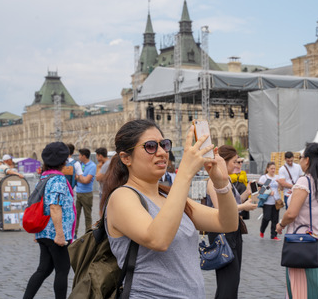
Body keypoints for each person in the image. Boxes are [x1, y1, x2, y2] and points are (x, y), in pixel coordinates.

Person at [103, 119, 240, 298]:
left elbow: (227, 223)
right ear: (126, 158)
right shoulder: (122, 197)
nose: (161, 152)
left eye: (164, 145)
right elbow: (158, 240)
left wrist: (221, 184)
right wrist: (185, 172)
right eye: (150, 146)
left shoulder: (168, 197)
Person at [276, 143, 318, 298]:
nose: (299, 161)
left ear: (307, 160)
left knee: (301, 289)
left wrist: (280, 225)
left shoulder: (304, 181)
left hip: (303, 242)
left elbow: (291, 213)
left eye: (300, 157)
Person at [23, 142, 75, 299]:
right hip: (55, 233)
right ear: (64, 161)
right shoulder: (57, 180)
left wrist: (38, 232)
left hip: (44, 231)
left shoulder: (44, 177)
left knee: (43, 269)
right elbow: (54, 207)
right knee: (62, 270)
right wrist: (60, 234)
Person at [207, 145, 257, 298]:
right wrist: (244, 206)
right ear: (223, 161)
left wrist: (247, 193)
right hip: (221, 233)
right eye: (235, 162)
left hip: (233, 231)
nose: (238, 165)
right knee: (228, 281)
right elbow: (221, 208)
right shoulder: (213, 181)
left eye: (239, 162)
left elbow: (233, 203)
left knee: (233, 279)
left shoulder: (227, 180)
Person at [74, 148, 96, 237]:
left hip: (87, 194)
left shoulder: (92, 166)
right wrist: (81, 178)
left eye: (79, 155)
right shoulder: (80, 164)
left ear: (84, 156)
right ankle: (74, 234)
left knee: (88, 216)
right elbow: (81, 178)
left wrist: (78, 177)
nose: (78, 157)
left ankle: (88, 235)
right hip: (78, 193)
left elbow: (86, 180)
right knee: (76, 215)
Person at [258, 162, 281, 240]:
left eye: (274, 168)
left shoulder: (277, 177)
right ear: (267, 169)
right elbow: (260, 190)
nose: (273, 170)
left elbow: (281, 188)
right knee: (266, 218)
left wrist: (280, 184)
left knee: (275, 219)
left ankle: (274, 235)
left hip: (276, 201)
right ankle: (262, 230)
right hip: (267, 202)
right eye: (271, 168)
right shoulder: (264, 178)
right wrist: (269, 191)